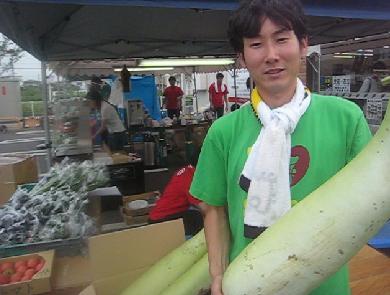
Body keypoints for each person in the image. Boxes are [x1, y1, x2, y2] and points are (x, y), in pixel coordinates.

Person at [189, 1, 372, 295]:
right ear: (242, 57)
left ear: (303, 45)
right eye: (257, 44)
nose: (271, 55)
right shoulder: (223, 132)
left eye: (282, 39)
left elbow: (367, 203)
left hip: (326, 286)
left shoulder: (346, 118)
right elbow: (214, 211)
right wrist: (217, 275)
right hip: (248, 284)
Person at [149, 149, 203, 236]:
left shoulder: (186, 170)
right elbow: (204, 207)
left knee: (195, 215)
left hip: (163, 215)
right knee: (199, 218)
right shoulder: (189, 178)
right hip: (161, 220)